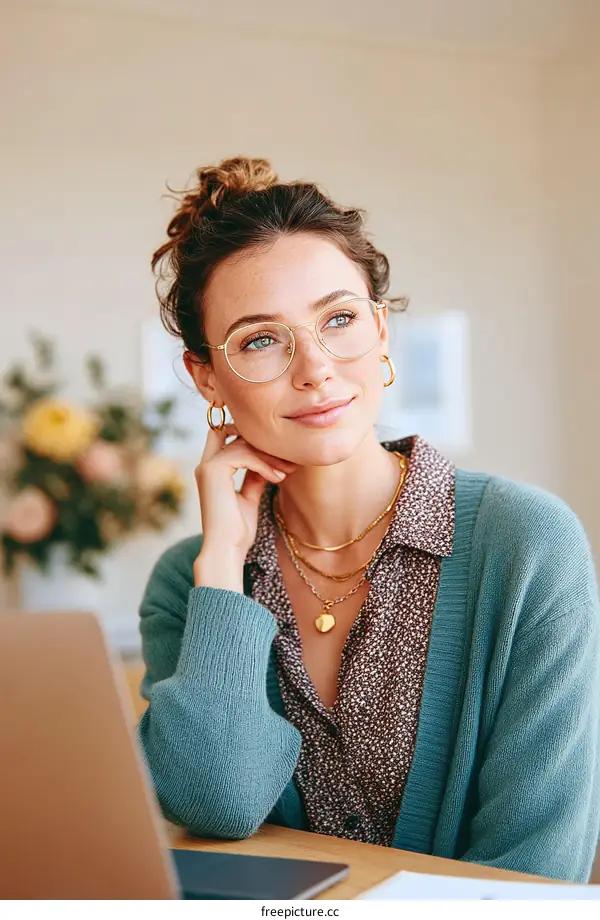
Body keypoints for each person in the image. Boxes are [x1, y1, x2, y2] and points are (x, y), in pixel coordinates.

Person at [138, 156, 600, 882]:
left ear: (381, 332)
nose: (315, 367)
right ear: (207, 377)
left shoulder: (526, 544)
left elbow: (535, 872)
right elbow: (214, 808)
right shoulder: (188, 584)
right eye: (261, 339)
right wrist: (224, 563)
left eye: (340, 320)